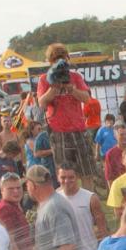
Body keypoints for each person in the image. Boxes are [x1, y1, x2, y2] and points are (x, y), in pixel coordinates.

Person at [25, 165, 90, 250]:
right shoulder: (47, 204)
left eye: (27, 184)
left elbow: (67, 245)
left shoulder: (54, 208)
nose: (26, 188)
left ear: (32, 185)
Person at [37, 43, 98, 181]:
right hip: (58, 131)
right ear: (50, 61)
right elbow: (42, 103)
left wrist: (71, 89)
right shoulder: (44, 79)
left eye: (63, 58)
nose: (60, 63)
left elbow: (86, 98)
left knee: (87, 171)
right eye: (56, 59)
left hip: (79, 129)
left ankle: (87, 195)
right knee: (64, 174)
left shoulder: (75, 77)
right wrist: (53, 88)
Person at [57, 163, 108, 250]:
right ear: (57, 177)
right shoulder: (54, 199)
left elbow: (102, 229)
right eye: (63, 177)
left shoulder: (90, 198)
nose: (67, 181)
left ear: (78, 177)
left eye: (71, 177)